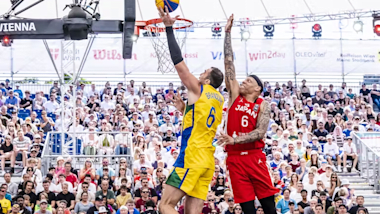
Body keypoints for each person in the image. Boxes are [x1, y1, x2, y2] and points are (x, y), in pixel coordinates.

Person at [157, 6, 224, 214]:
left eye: (204, 72)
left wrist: (169, 29)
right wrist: (185, 109)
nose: (200, 73)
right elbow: (202, 118)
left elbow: (179, 65)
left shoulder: (199, 88)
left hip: (191, 157)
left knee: (165, 205)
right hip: (207, 161)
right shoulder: (219, 99)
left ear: (206, 80)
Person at [215, 14, 278, 214]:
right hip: (234, 160)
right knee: (247, 209)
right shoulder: (234, 96)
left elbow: (260, 132)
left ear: (258, 88)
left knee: (269, 208)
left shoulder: (262, 104)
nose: (244, 82)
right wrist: (227, 33)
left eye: (249, 81)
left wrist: (234, 140)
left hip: (254, 156)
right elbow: (228, 63)